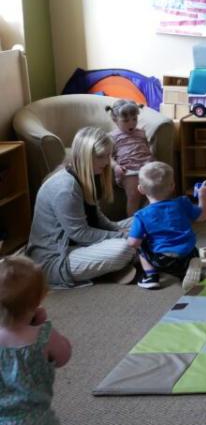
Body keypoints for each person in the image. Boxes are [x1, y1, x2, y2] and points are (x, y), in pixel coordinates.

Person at [27, 127, 137, 288]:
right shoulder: (66, 188)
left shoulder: (87, 175)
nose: (107, 162)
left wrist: (118, 231)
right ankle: (128, 259)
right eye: (101, 156)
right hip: (57, 256)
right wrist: (122, 237)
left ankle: (118, 264)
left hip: (80, 242)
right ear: (84, 157)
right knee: (126, 247)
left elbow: (96, 216)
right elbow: (80, 233)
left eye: (109, 155)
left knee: (142, 220)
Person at [0, 256, 72, 425]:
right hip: (38, 418)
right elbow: (64, 356)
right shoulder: (43, 335)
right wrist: (40, 324)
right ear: (39, 299)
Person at [127, 162, 206, 291]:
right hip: (189, 253)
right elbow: (202, 216)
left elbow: (133, 243)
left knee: (141, 245)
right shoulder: (182, 203)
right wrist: (203, 197)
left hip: (163, 260)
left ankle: (151, 277)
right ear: (172, 186)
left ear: (141, 189)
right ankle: (189, 267)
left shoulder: (141, 215)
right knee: (188, 244)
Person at [106, 99, 155, 217]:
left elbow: (147, 149)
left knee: (154, 193)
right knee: (133, 196)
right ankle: (132, 226)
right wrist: (116, 167)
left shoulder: (141, 133)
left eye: (134, 119)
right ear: (115, 120)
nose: (131, 123)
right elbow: (108, 157)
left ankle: (149, 221)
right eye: (126, 120)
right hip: (129, 170)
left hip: (146, 166)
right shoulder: (111, 136)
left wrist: (151, 159)